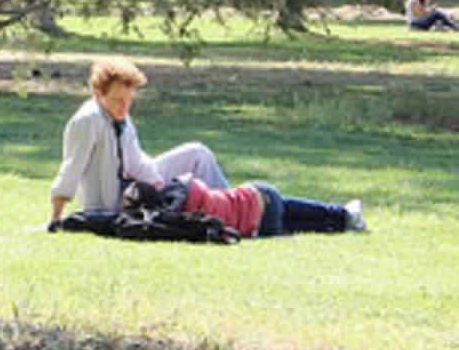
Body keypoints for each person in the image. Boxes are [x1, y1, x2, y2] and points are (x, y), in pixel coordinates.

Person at [48, 57, 229, 224]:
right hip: (113, 201)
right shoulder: (88, 121)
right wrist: (55, 217)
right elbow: (72, 168)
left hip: (137, 185)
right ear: (98, 93)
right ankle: (229, 212)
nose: (124, 107)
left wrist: (155, 181)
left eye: (129, 100)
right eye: (118, 100)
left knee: (198, 153)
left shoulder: (120, 116)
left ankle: (230, 205)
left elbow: (135, 162)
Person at [130, 177, 365, 237]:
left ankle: (340, 225)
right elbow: (194, 182)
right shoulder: (188, 188)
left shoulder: (174, 221)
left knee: (291, 225)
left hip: (257, 229)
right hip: (258, 200)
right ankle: (342, 214)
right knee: (282, 204)